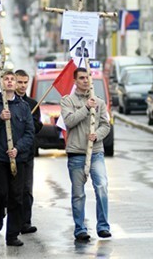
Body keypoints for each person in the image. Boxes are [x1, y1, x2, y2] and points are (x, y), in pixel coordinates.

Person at [0, 71, 35, 247]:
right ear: (1, 82)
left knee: (17, 197)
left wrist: (18, 149)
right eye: (7, 79)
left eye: (13, 79)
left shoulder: (23, 106)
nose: (11, 82)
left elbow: (29, 132)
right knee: (0, 194)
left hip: (18, 159)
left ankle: (12, 234)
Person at [60, 67, 112, 241]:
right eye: (81, 78)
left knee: (102, 186)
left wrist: (97, 135)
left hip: (96, 152)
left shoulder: (100, 101)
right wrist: (86, 107)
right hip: (76, 153)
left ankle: (103, 226)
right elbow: (69, 121)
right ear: (75, 81)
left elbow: (106, 125)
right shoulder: (67, 101)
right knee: (78, 194)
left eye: (87, 77)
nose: (85, 80)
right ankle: (80, 229)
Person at [14, 69, 43, 234]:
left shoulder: (33, 104)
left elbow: (38, 127)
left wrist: (32, 123)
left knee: (26, 189)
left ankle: (25, 221)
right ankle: (12, 220)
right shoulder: (7, 102)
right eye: (20, 82)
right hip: (9, 152)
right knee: (12, 190)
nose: (23, 85)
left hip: (27, 153)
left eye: (25, 82)